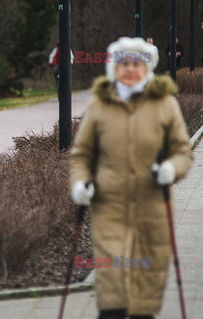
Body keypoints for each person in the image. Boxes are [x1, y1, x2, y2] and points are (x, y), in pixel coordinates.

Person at [70, 37, 192, 319]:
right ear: (115, 67)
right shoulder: (99, 105)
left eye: (137, 63)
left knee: (146, 279)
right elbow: (81, 154)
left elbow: (182, 151)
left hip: (153, 207)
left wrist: (171, 169)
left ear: (147, 68)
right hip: (108, 204)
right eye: (124, 63)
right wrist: (80, 183)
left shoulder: (165, 104)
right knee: (112, 277)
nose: (130, 69)